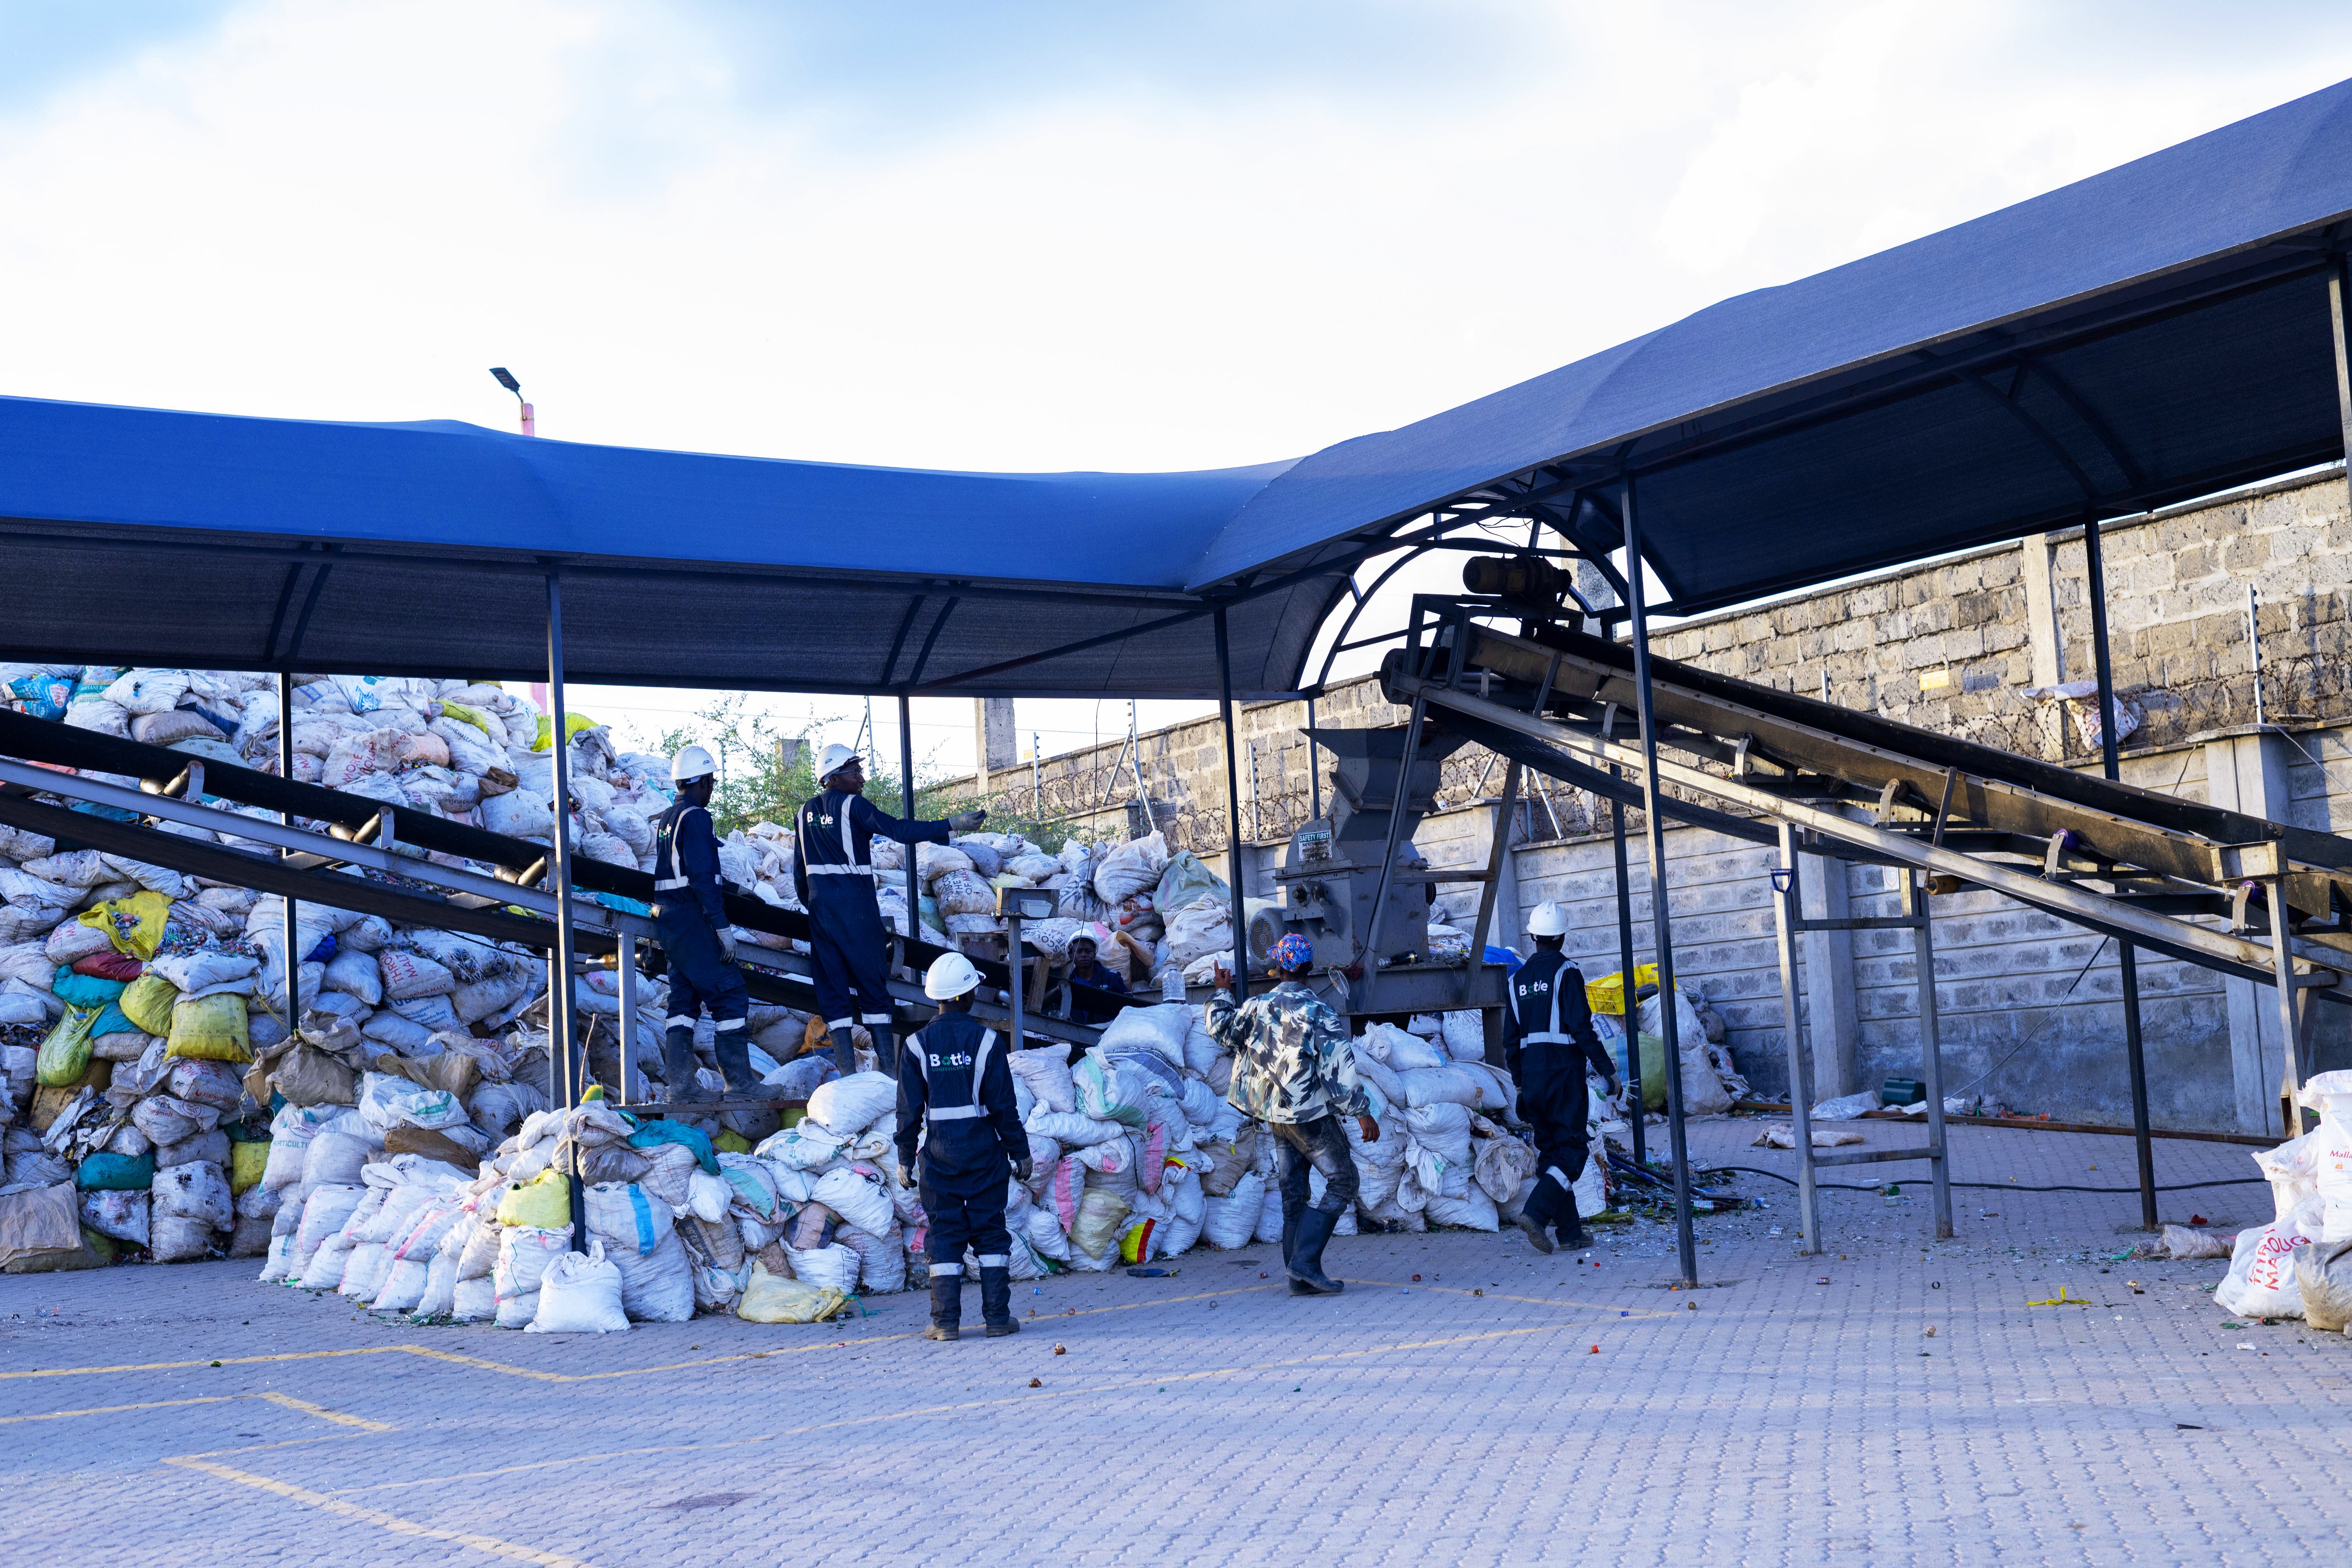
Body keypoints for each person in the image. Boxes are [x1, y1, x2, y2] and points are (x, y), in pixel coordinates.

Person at [793, 744, 985, 1079]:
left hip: (820, 909)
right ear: (833, 778)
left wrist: (814, 907)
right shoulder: (853, 805)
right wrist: (949, 824)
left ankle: (850, 1079)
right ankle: (887, 1078)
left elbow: (800, 872)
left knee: (833, 992)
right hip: (855, 907)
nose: (862, 779)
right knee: (873, 988)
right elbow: (899, 830)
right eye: (855, 772)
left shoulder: (803, 813)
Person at [1206, 931, 1376, 1296]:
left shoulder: (1256, 1007)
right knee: (1344, 1180)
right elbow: (1337, 1067)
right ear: (1309, 968)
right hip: (1307, 1116)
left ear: (1277, 969)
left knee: (1293, 1194)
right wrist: (1362, 1112)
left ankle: (1298, 1280)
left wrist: (1222, 991)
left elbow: (1220, 1031)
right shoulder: (1318, 1011)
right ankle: (1305, 1264)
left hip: (1273, 1115)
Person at [897, 952, 1030, 1342]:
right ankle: (997, 1320)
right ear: (968, 996)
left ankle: (945, 1323)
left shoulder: (916, 1045)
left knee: (945, 1234)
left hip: (939, 1156)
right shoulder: (988, 1041)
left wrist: (905, 1158)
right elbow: (1004, 1106)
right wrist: (1020, 1152)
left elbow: (908, 1111)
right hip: (984, 1153)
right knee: (991, 1233)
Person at [1502, 901, 1622, 1255]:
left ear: (1533, 936)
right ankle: (1536, 1215)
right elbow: (1582, 1029)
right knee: (1572, 1151)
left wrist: (1520, 1086)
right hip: (1563, 1076)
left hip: (1532, 1080)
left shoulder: (1516, 981)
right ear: (1563, 937)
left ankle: (1570, 1234)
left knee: (1553, 1152)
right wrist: (1608, 1070)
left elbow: (1510, 1041)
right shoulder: (1567, 972)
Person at [649, 744, 752, 1103]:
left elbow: (681, 870)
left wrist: (736, 890)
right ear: (703, 782)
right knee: (730, 995)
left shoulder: (668, 818)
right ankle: (740, 1084)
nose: (712, 789)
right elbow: (701, 878)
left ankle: (681, 1087)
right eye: (712, 782)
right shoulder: (696, 817)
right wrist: (722, 928)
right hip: (693, 920)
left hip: (670, 920)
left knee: (684, 1000)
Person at [1057, 934, 1129, 1025]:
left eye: (1088, 951)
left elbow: (1129, 1008)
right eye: (1079, 952)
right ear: (1071, 956)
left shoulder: (1112, 978)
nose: (1084, 955)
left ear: (1094, 954)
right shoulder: (1067, 986)